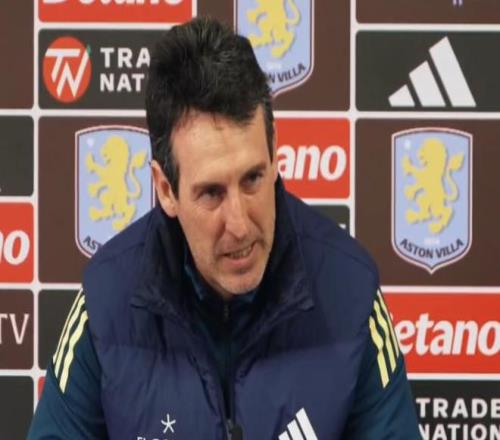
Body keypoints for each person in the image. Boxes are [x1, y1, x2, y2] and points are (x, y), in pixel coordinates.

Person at [28, 17, 420, 439]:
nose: (239, 224)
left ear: (274, 152)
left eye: (252, 179)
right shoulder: (107, 301)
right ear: (165, 189)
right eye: (212, 193)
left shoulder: (350, 289)